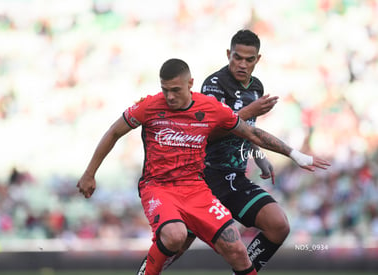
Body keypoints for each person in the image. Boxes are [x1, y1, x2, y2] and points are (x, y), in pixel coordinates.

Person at [77, 58, 330, 275]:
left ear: (190, 83)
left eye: (175, 89)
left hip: (196, 189)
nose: (170, 96)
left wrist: (296, 154)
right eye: (165, 90)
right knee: (175, 236)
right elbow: (113, 132)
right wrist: (90, 173)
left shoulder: (210, 109)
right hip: (159, 187)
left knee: (237, 250)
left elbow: (251, 133)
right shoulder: (149, 106)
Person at [136, 29, 290, 273]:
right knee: (175, 242)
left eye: (249, 59)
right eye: (237, 57)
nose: (242, 64)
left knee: (278, 225)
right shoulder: (214, 84)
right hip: (206, 176)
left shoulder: (256, 88)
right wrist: (250, 110)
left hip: (235, 176)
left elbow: (246, 130)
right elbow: (208, 130)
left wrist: (259, 157)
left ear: (257, 60)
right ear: (228, 55)